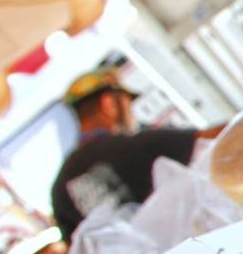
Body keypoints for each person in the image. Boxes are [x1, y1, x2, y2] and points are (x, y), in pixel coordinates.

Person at [48, 68, 201, 237]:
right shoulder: (138, 146)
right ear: (109, 104)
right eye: (129, 104)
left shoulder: (59, 191)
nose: (132, 115)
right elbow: (218, 142)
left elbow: (75, 252)